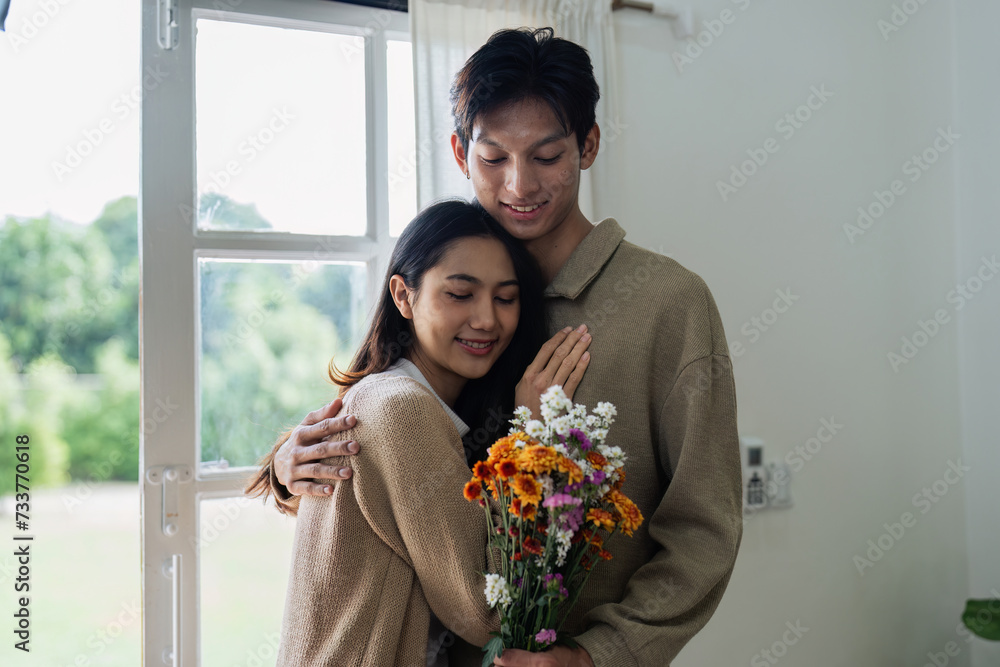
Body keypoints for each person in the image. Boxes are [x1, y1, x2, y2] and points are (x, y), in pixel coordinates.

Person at [262, 28, 743, 667]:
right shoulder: (451, 281)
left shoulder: (670, 304)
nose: (519, 185)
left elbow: (703, 532)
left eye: (546, 157)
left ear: (588, 146)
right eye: (494, 158)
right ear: (461, 153)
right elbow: (384, 424)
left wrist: (600, 655)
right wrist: (290, 466)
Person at [246, 198, 593, 665]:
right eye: (460, 293)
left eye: (505, 298)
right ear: (403, 296)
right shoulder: (402, 409)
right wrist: (531, 435)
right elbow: (486, 609)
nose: (487, 319)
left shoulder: (398, 398)